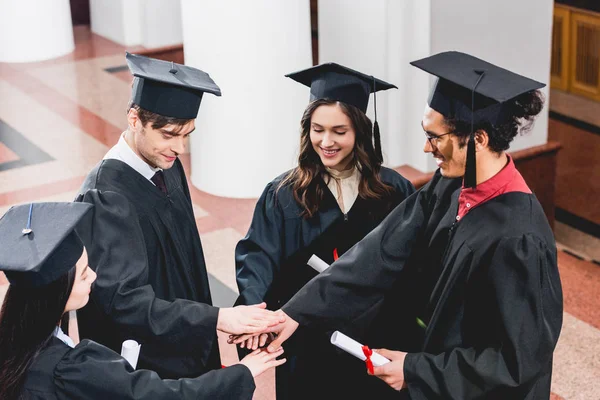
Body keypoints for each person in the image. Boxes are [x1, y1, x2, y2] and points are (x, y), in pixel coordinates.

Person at [234, 51, 564, 399]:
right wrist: (294, 313)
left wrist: (414, 370)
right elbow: (377, 253)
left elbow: (518, 361)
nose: (426, 147)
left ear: (478, 139)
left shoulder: (520, 238)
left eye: (435, 137)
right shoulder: (449, 187)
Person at [75, 53, 284, 379]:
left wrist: (209, 324)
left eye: (187, 134)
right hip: (147, 365)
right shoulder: (106, 196)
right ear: (134, 120)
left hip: (189, 340)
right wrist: (216, 318)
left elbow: (188, 260)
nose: (181, 148)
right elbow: (125, 304)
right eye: (170, 134)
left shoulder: (166, 164)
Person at [234, 62, 415, 399]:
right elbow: (257, 256)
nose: (326, 141)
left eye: (339, 132)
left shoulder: (394, 190)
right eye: (318, 129)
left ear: (360, 131)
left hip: (374, 336)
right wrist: (254, 313)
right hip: (308, 338)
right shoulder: (283, 194)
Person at [0, 202, 286, 400]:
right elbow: (161, 396)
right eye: (85, 273)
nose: (95, 276)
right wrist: (243, 373)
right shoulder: (72, 367)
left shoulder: (16, 341)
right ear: (56, 291)